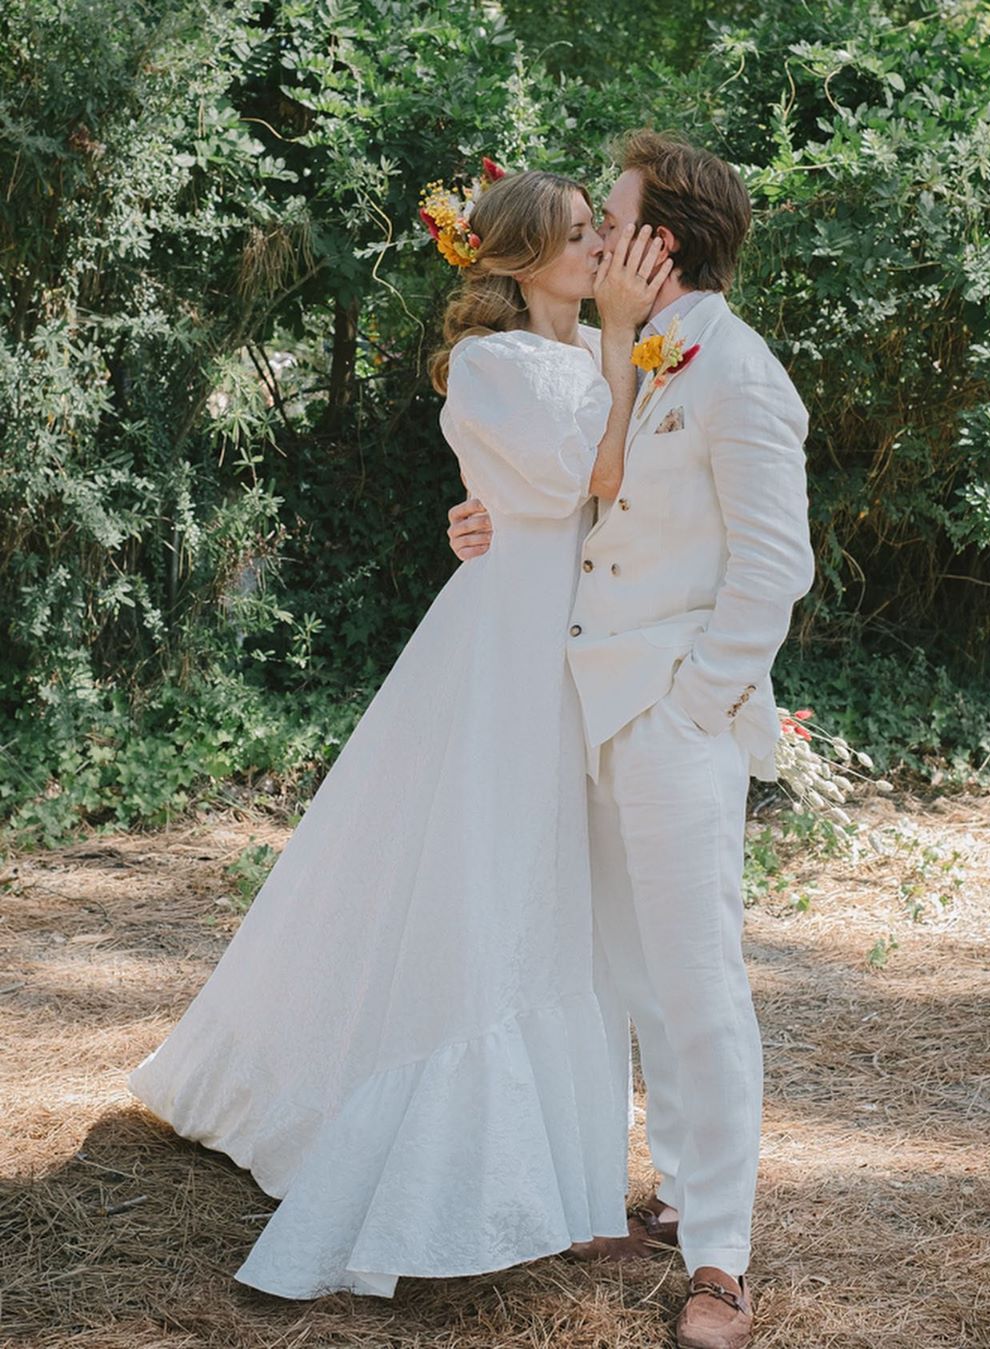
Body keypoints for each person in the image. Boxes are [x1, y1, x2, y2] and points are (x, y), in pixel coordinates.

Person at [126, 168, 673, 1300]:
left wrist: (614, 348)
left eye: (595, 231)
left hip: (576, 648)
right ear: (521, 258)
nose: (597, 248)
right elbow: (586, 475)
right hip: (506, 653)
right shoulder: (491, 363)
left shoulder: (587, 355)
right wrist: (617, 343)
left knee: (561, 895)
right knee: (489, 885)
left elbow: (622, 491)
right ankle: (455, 1164)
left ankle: (570, 1185)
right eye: (579, 236)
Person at [447, 131, 816, 1349]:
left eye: (615, 219)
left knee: (698, 987)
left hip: (668, 720)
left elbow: (774, 569)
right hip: (588, 711)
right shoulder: (638, 358)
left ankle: (721, 1259)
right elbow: (574, 499)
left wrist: (694, 704)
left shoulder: (741, 375)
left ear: (666, 238)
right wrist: (481, 522)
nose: (599, 238)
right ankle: (637, 1192)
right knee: (621, 975)